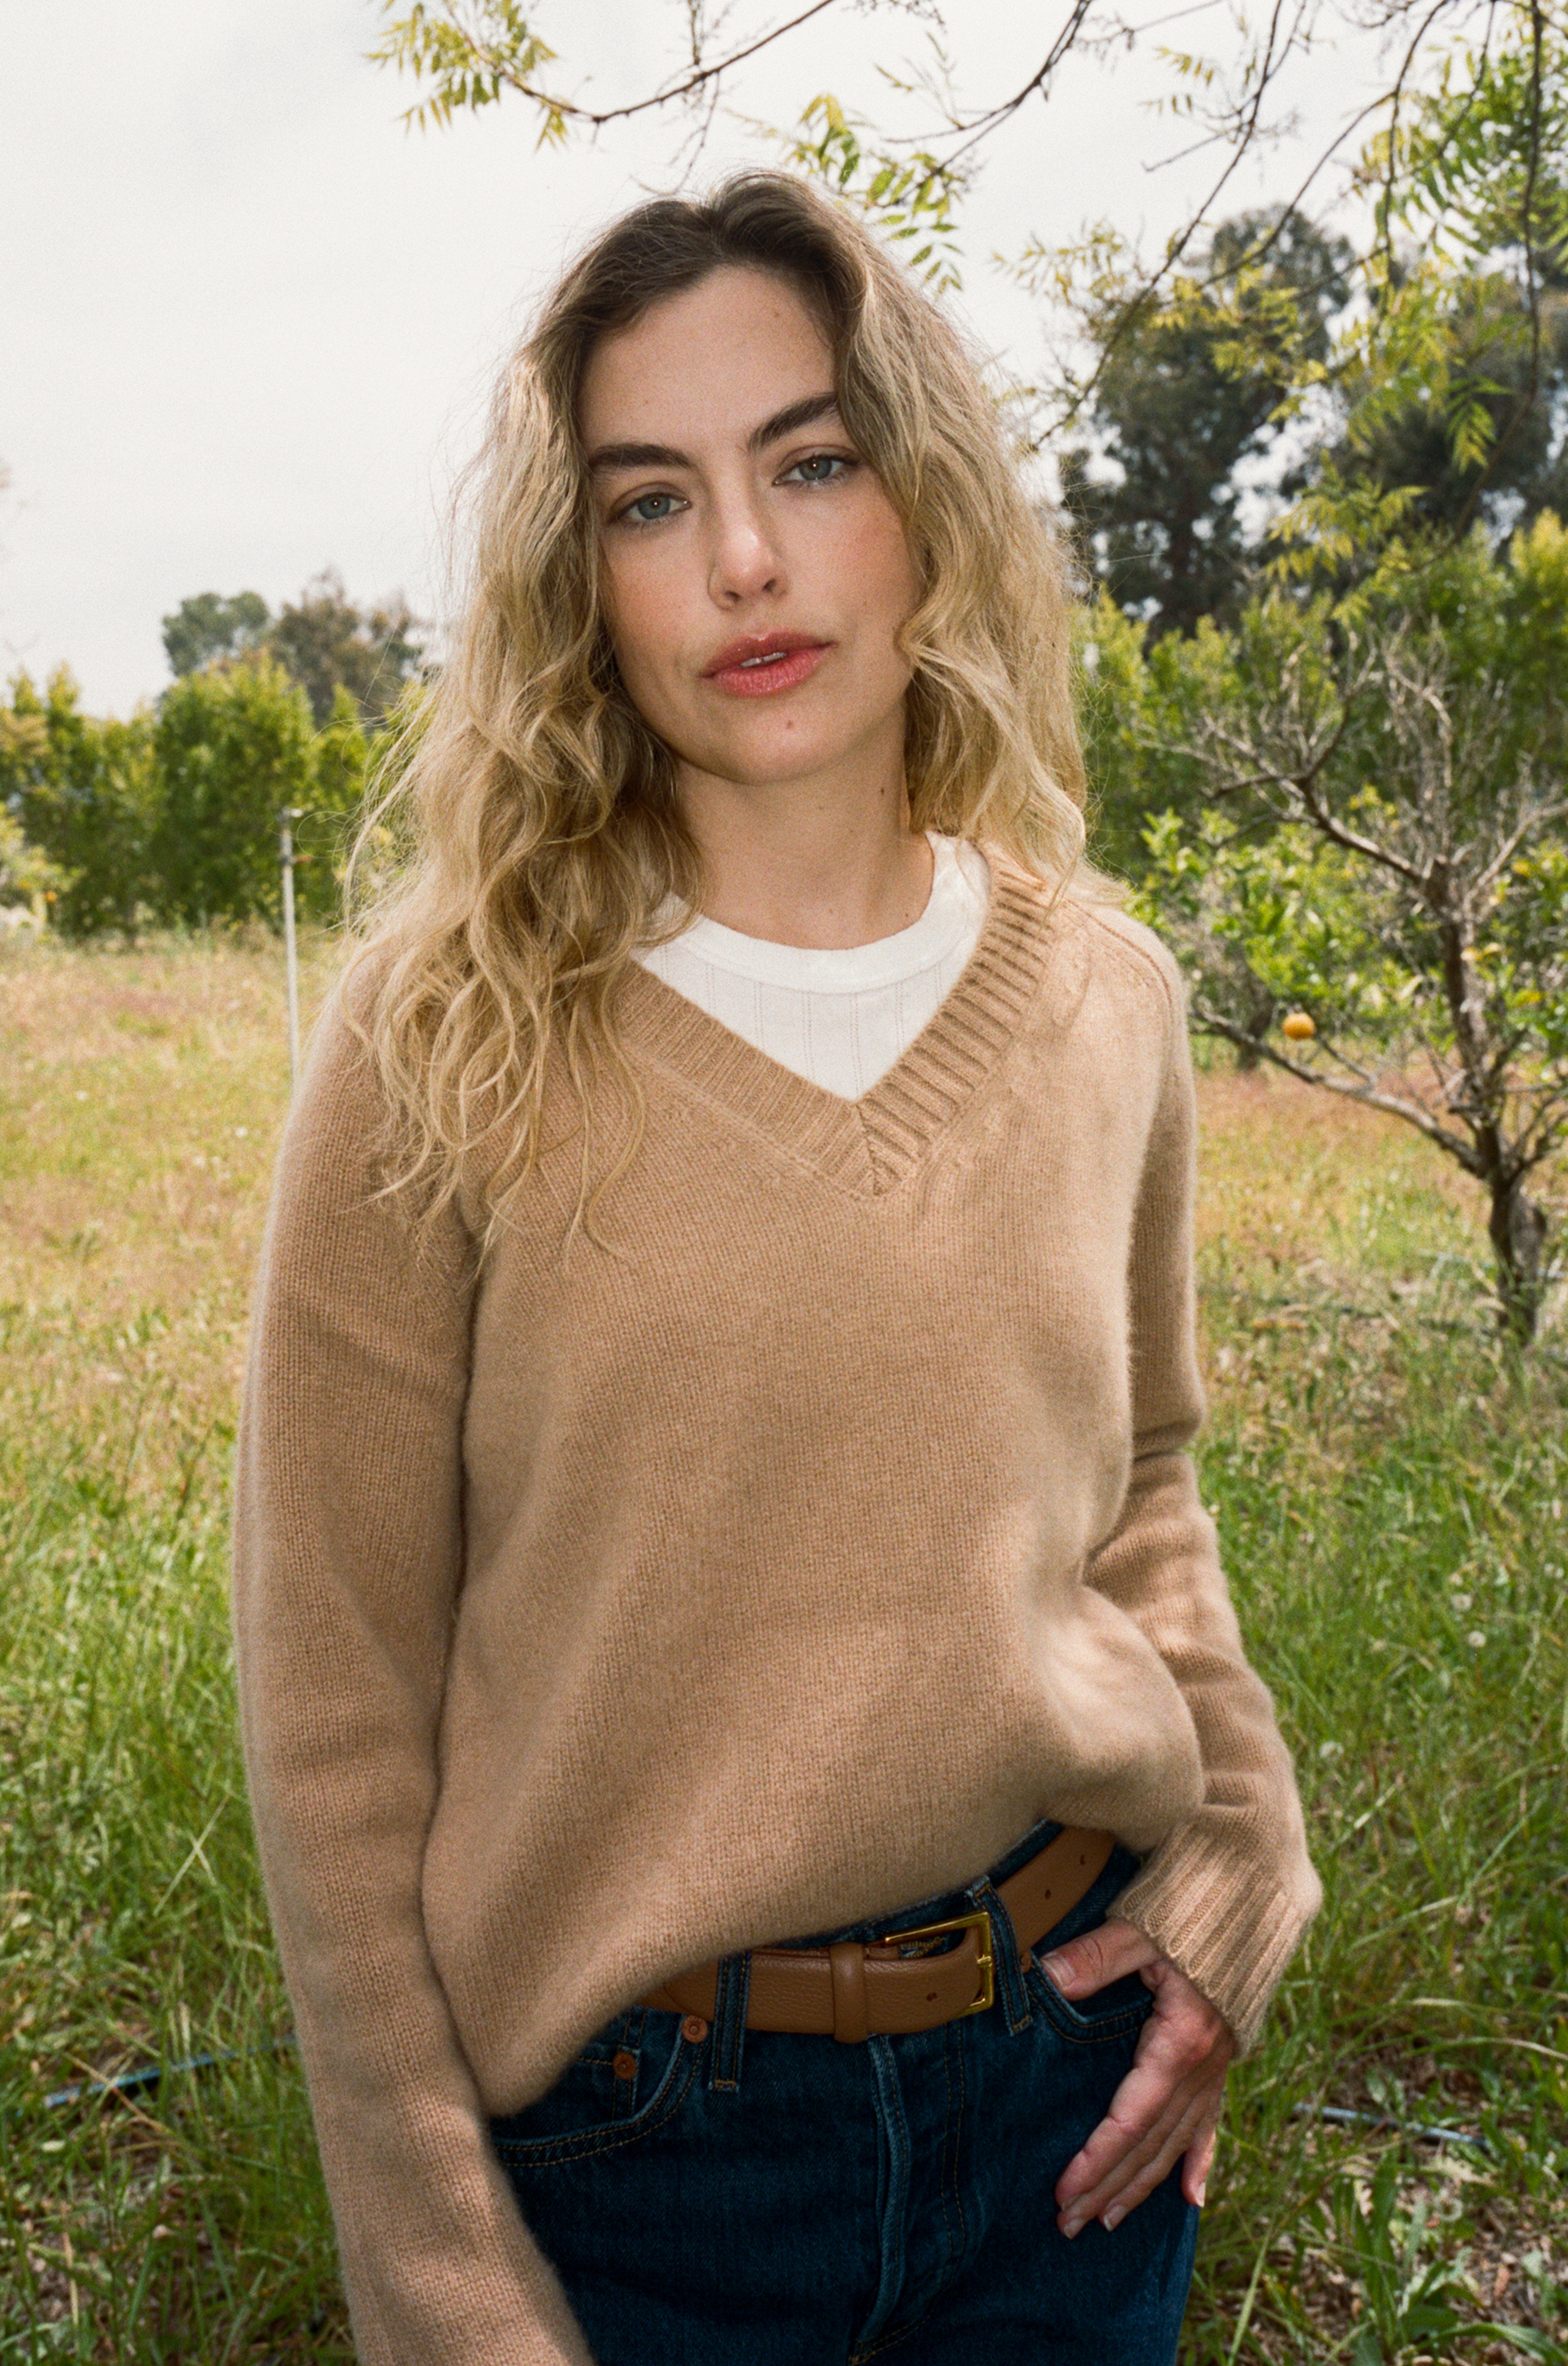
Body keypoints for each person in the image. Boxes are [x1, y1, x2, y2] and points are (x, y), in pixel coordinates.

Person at [231, 171, 1320, 2366]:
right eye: (655, 501)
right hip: (639, 2176)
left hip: (1061, 2114)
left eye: (810, 463)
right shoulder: (445, 1034)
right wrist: (446, 2293)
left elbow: (1149, 1501)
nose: (744, 558)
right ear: (588, 583)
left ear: (925, 500)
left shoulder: (1104, 997)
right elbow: (336, 1717)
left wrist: (1237, 1882)